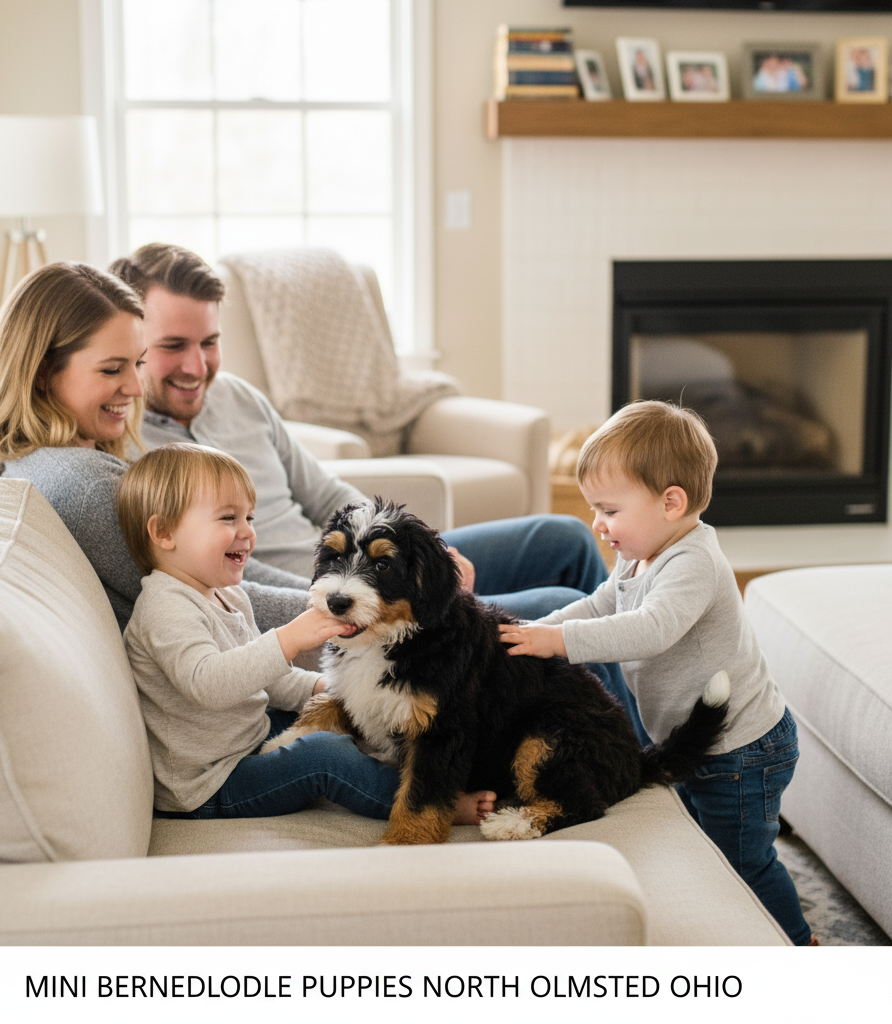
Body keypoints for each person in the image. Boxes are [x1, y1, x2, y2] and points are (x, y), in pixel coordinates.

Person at [107, 243, 650, 744]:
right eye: (172, 347)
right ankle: (636, 776)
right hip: (335, 613)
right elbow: (217, 582)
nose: (197, 367)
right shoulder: (131, 453)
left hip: (370, 569)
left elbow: (327, 495)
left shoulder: (238, 398)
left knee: (563, 537)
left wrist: (429, 555)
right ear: (133, 346)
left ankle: (633, 737)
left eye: (210, 342)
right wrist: (357, 598)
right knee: (562, 615)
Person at [497, 400, 814, 946]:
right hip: (697, 741)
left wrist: (558, 643)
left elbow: (650, 628)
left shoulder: (694, 562)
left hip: (742, 749)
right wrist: (536, 630)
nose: (597, 525)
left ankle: (797, 948)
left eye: (609, 510)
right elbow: (600, 604)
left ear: (671, 503)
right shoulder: (639, 553)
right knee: (702, 846)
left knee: (744, 860)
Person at [115, 441, 495, 823]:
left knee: (336, 720)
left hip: (246, 737)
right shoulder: (165, 608)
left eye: (250, 518)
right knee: (327, 757)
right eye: (228, 518)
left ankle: (427, 774)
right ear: (164, 533)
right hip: (208, 784)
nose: (247, 533)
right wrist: (289, 639)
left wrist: (325, 689)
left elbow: (262, 682)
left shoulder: (226, 594)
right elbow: (209, 684)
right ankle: (437, 806)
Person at [0, 261, 307, 636]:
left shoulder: (59, 461)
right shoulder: (90, 489)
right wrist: (354, 610)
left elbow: (215, 570)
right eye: (113, 369)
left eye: (138, 363)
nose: (136, 388)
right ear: (44, 373)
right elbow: (218, 598)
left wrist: (334, 594)